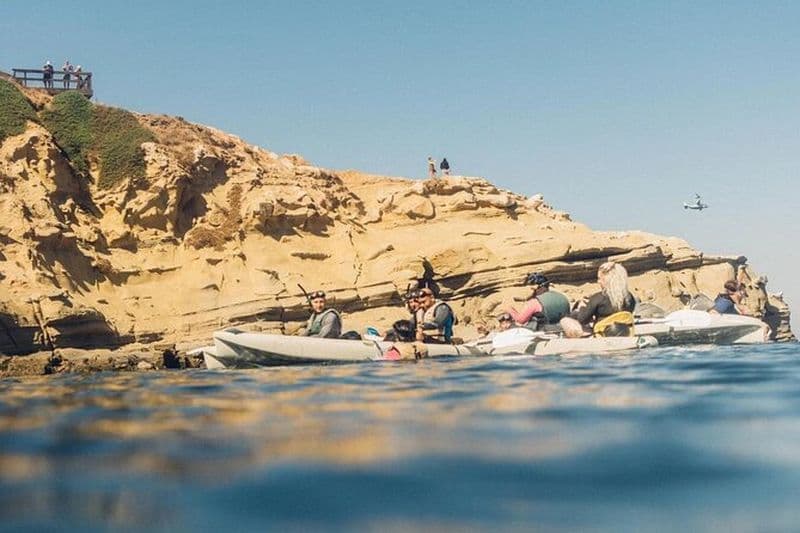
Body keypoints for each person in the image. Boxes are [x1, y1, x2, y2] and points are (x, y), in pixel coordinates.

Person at [560, 262, 636, 338]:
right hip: (624, 332)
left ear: (608, 280)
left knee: (565, 321)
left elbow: (582, 319)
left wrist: (581, 306)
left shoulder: (598, 298)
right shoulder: (630, 297)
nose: (598, 282)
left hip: (601, 334)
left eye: (599, 279)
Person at [506, 272, 570, 331]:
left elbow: (520, 320)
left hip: (546, 331)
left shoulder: (535, 302)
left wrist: (510, 309)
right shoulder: (561, 296)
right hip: (563, 328)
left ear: (537, 288)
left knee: (509, 325)